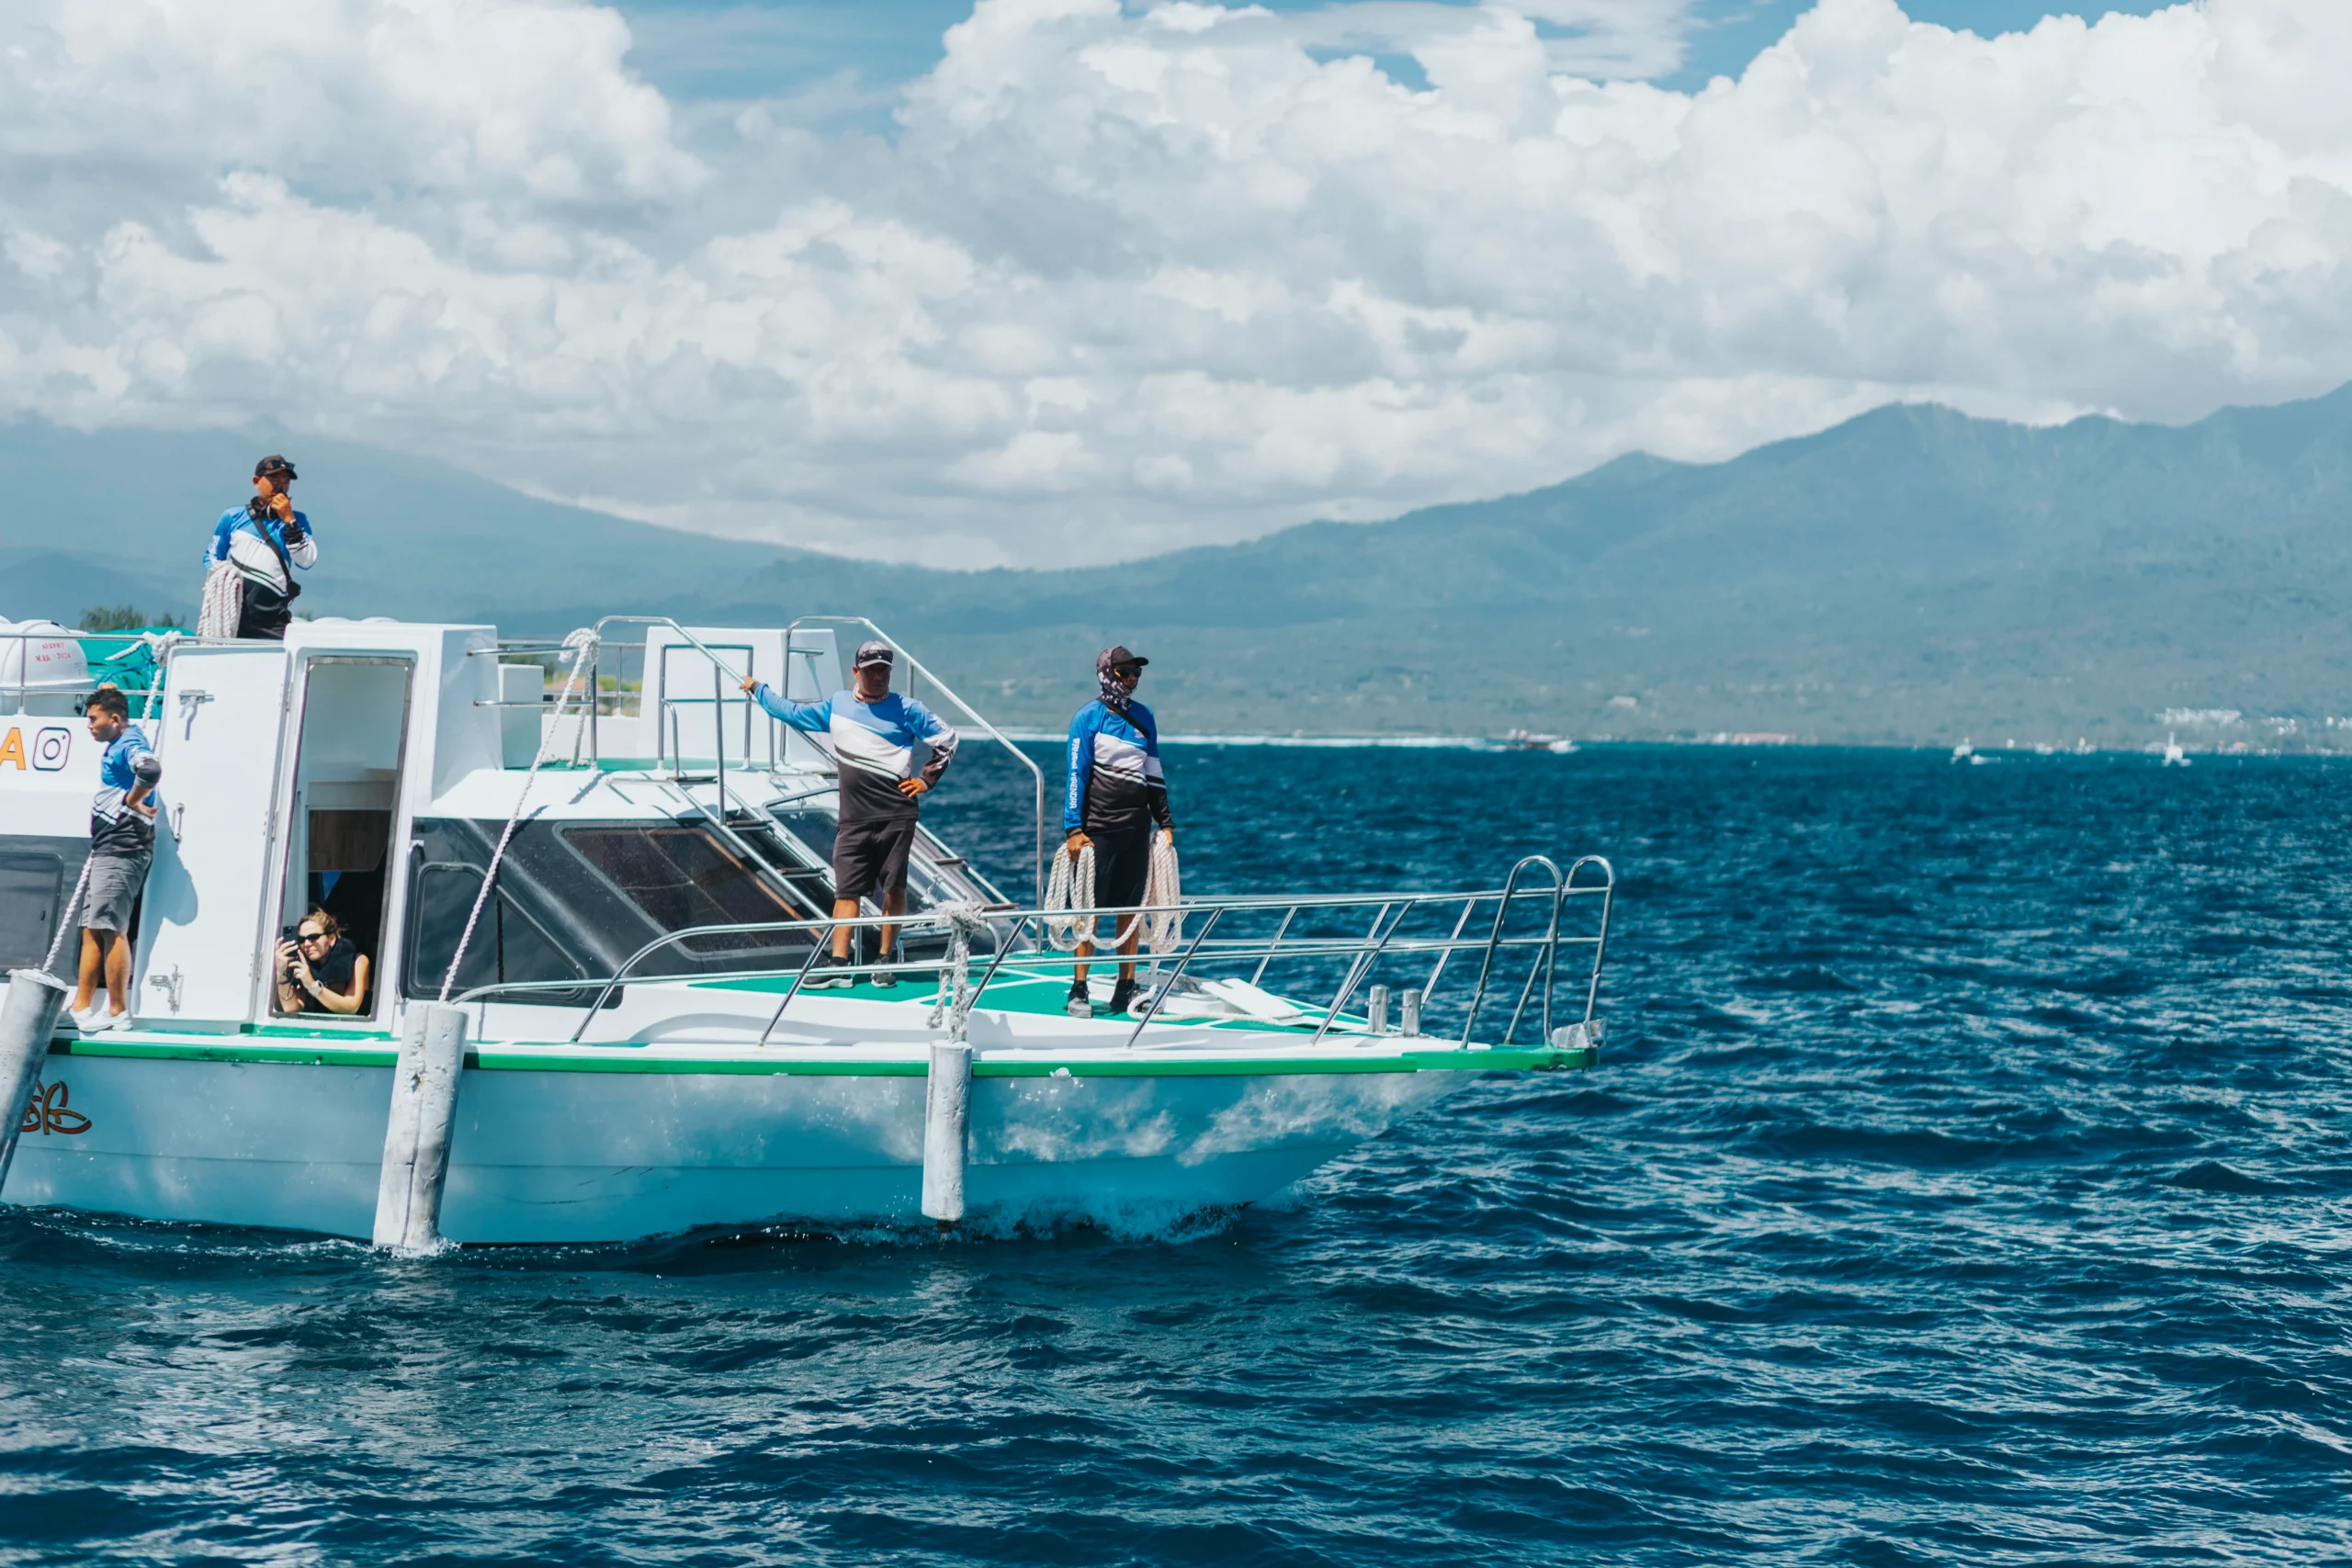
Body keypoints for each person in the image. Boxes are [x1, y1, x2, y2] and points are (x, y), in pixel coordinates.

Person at [740, 641, 958, 988]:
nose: (878, 676)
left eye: (884, 670)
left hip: (895, 814)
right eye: (871, 670)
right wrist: (758, 689)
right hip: (854, 816)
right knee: (847, 891)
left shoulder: (908, 709)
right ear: (856, 672)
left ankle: (886, 958)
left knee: (894, 887)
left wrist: (925, 780)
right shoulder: (837, 705)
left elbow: (947, 739)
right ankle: (839, 963)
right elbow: (791, 713)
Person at [1061, 645, 1174, 1016]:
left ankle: (1126, 988)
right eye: (1125, 672)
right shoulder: (1088, 718)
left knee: (1130, 910)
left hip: (1135, 829)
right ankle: (1079, 989)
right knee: (1089, 911)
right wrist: (1073, 828)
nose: (1132, 679)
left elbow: (1154, 775)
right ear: (1108, 674)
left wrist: (1166, 823)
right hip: (1099, 830)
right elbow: (1076, 775)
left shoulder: (1145, 718)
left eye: (1137, 673)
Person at [68, 685, 160, 1033]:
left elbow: (150, 769)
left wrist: (134, 801)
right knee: (93, 927)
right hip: (109, 848)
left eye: (93, 719)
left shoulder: (128, 743)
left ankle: (118, 1010)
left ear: (115, 719)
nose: (88, 725)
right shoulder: (118, 742)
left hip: (123, 849)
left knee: (110, 928)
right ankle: (80, 1006)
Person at [199, 455, 317, 641]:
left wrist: (289, 520)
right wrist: (224, 574)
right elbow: (212, 555)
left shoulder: (298, 520)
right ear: (256, 481)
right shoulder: (232, 516)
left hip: (273, 615)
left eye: (286, 481)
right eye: (274, 479)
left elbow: (307, 560)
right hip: (232, 613)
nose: (281, 486)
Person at [276, 908, 370, 1015]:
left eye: (313, 937)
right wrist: (282, 973)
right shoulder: (303, 964)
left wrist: (312, 985)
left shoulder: (358, 961)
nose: (306, 944)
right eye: (302, 939)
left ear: (332, 938)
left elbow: (351, 1008)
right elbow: (291, 1009)